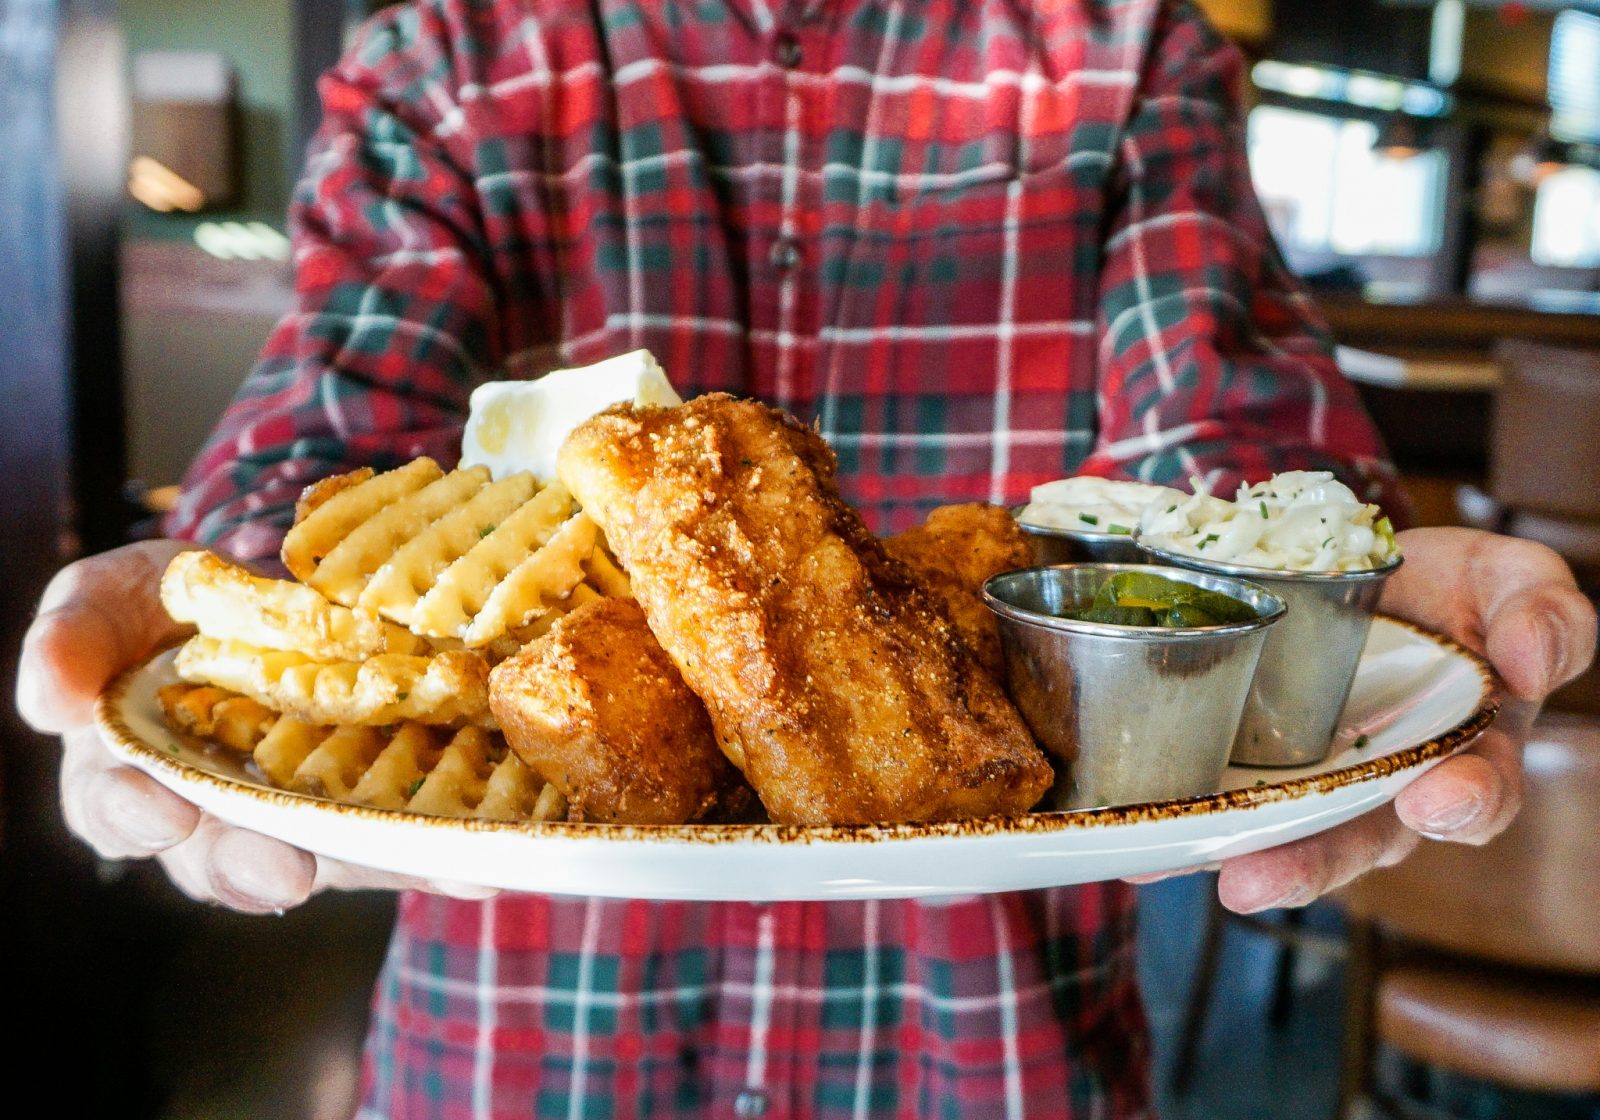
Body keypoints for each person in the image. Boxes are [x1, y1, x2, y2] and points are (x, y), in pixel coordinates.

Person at [18, 2, 1595, 1117]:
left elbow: (1219, 436)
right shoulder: (453, 56)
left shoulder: (1128, 52)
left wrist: (1330, 575)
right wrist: (200, 602)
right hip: (527, 1049)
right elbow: (324, 456)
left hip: (998, 1044)